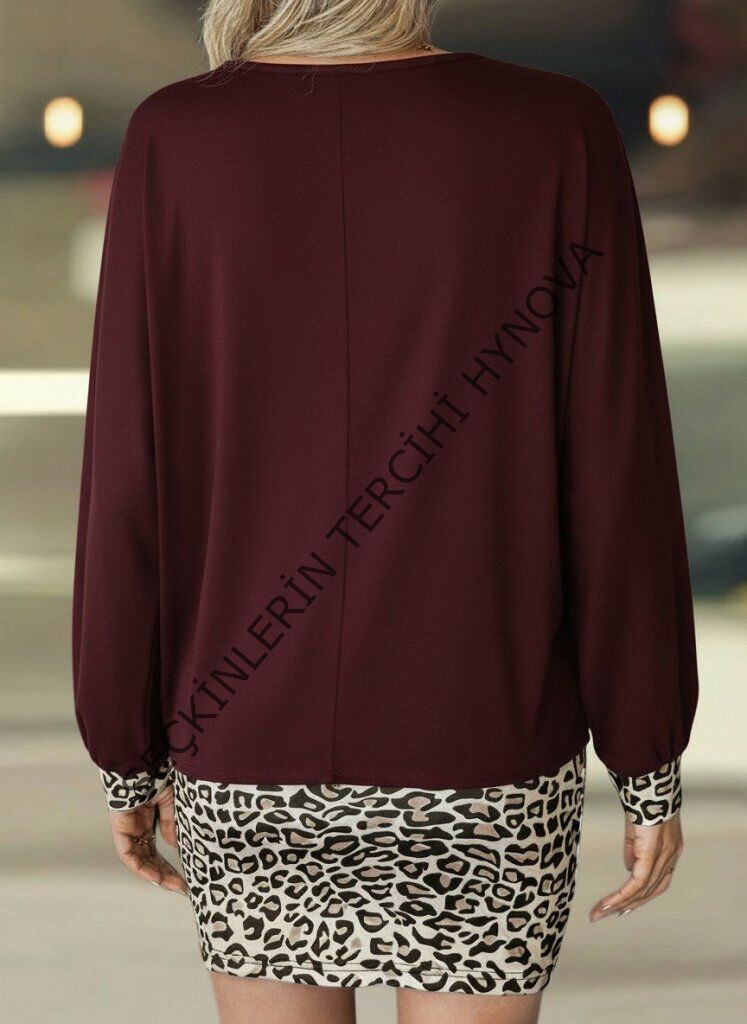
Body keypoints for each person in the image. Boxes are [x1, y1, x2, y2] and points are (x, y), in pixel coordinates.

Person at [71, 2, 699, 1022]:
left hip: (247, 733)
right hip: (485, 739)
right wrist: (646, 754)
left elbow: (128, 468)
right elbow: (613, 464)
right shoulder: (553, 128)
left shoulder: (177, 137)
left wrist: (122, 747)